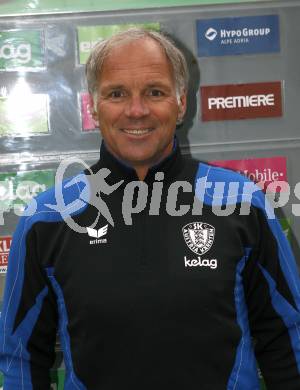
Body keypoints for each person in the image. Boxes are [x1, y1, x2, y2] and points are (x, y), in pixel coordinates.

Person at [1, 28, 300, 390]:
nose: (136, 110)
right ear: (94, 107)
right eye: (117, 94)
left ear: (181, 104)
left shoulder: (240, 201)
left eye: (154, 92)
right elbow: (21, 358)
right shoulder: (48, 217)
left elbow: (288, 338)